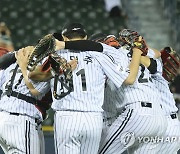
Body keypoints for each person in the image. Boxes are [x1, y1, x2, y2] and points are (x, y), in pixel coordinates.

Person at [28, 22, 144, 154]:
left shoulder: (56, 55)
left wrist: (57, 71)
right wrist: (137, 51)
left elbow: (33, 75)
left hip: (67, 117)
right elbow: (128, 79)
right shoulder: (100, 55)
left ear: (64, 37)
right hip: (93, 119)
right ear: (86, 37)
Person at [87, 33, 167, 154]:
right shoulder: (132, 51)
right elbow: (157, 54)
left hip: (138, 114)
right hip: (160, 117)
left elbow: (129, 80)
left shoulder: (108, 57)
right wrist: (137, 48)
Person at [0, 46, 52, 154]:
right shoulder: (44, 64)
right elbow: (37, 91)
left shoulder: (12, 63)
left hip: (4, 116)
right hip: (21, 118)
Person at [146, 47, 180, 154]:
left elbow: (156, 54)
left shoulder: (152, 68)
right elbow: (156, 54)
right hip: (171, 124)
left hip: (165, 125)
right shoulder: (152, 68)